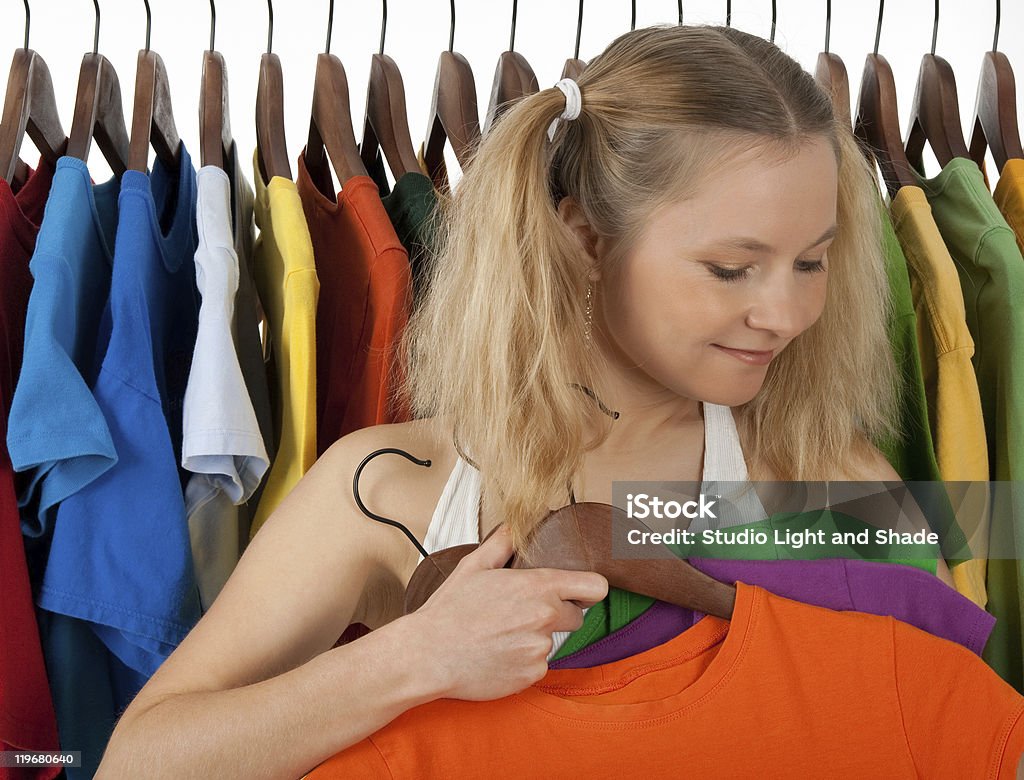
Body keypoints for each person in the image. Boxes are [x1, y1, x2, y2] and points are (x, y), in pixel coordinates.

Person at [98, 24, 967, 779]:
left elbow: (942, 731)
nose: (784, 314)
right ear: (587, 240)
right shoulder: (393, 488)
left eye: (811, 262)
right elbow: (140, 763)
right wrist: (414, 658)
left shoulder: (829, 480)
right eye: (730, 269)